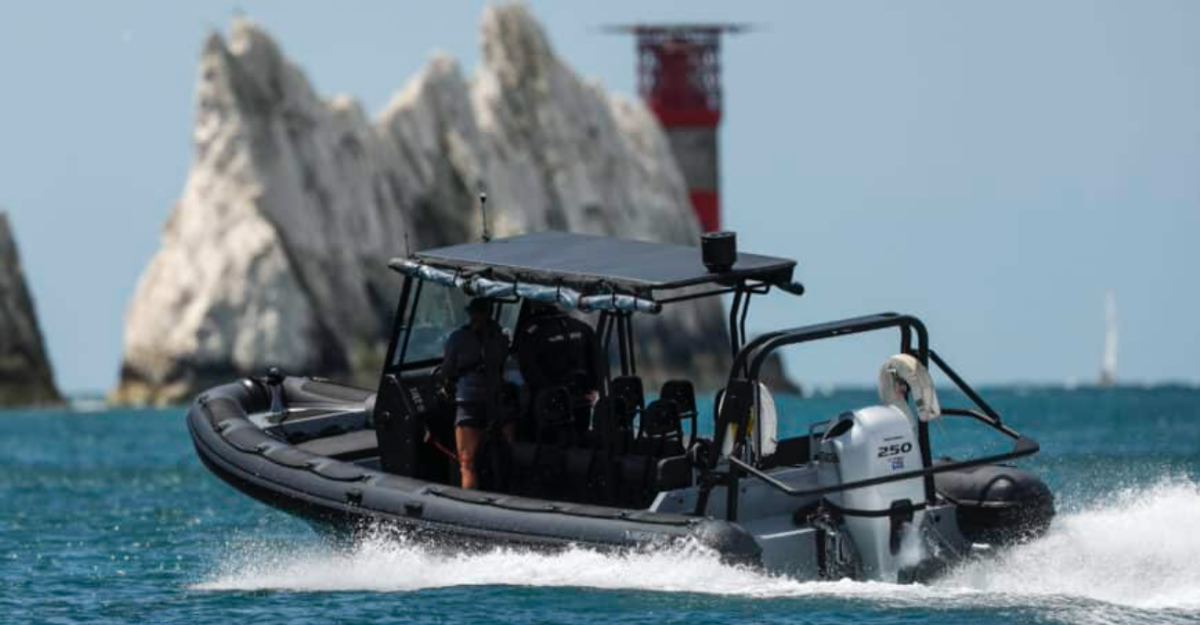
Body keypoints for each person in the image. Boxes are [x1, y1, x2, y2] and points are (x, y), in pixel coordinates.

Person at [442, 297, 512, 490]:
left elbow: (447, 370)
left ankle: (467, 502)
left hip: (469, 401)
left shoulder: (458, 338)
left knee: (467, 463)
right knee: (497, 456)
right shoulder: (501, 338)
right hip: (495, 401)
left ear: (472, 313)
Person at [514, 302, 601, 434]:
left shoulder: (531, 332)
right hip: (580, 399)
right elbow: (597, 363)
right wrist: (593, 387)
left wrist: (547, 391)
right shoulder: (582, 328)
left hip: (547, 405)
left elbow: (529, 370)